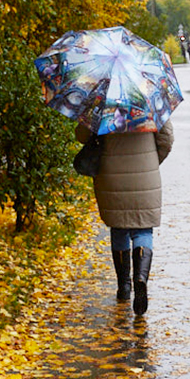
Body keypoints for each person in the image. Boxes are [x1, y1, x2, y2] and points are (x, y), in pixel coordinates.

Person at [75, 121, 174, 316]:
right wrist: (152, 162)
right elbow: (166, 140)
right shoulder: (149, 101)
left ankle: (124, 288)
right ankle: (141, 278)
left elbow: (82, 136)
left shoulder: (102, 102)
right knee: (143, 229)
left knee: (118, 227)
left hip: (110, 172)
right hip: (146, 174)